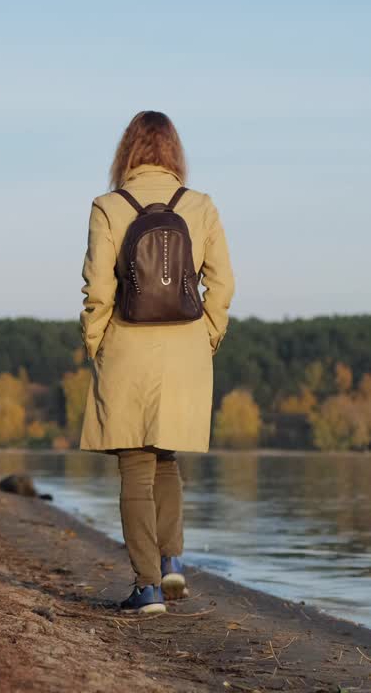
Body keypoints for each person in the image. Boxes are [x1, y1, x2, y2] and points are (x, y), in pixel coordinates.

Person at [78, 111, 235, 614]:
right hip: (186, 351)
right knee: (166, 458)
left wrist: (96, 342)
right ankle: (171, 564)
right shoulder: (201, 206)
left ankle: (146, 588)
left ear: (126, 152)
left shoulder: (108, 207)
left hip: (129, 346)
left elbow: (99, 288)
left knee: (137, 464)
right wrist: (207, 336)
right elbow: (223, 284)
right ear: (174, 153)